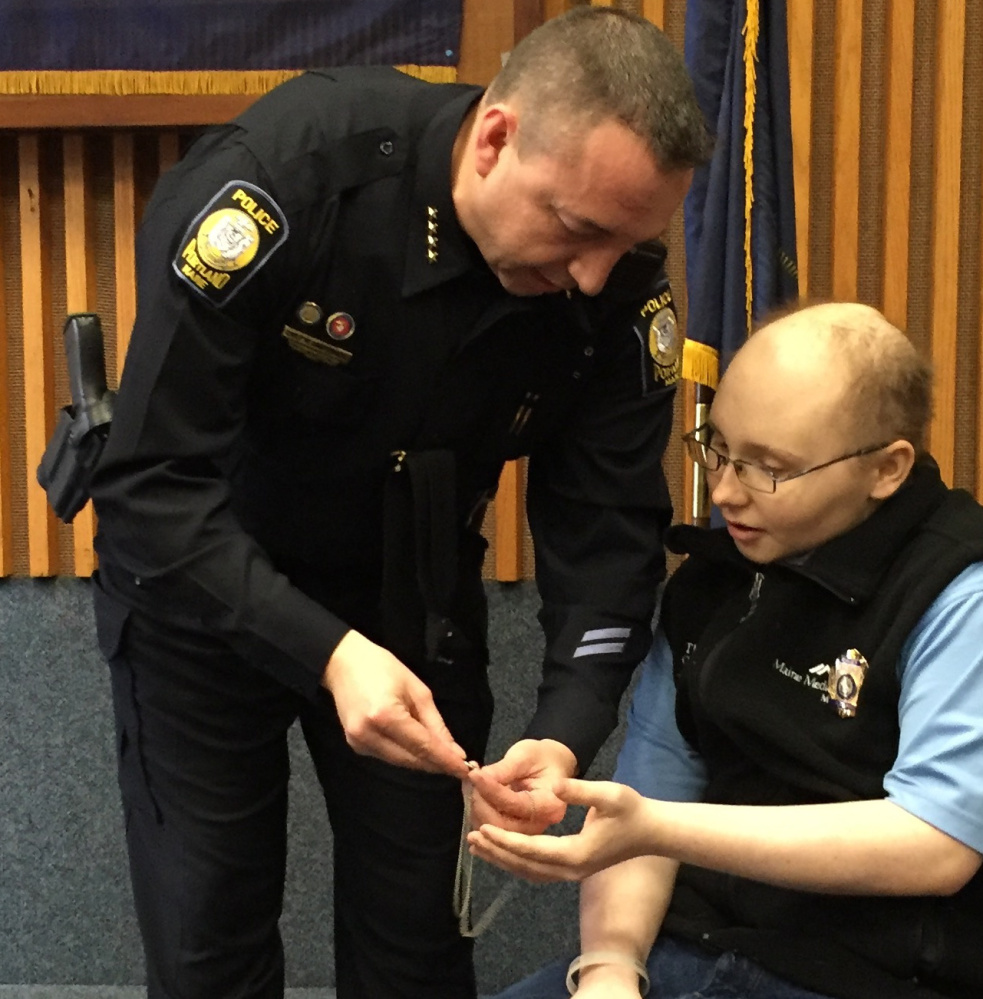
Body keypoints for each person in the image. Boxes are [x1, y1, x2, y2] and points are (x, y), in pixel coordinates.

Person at [87, 8, 712, 999]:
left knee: (418, 947)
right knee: (210, 937)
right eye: (577, 229)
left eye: (625, 243)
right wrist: (329, 654)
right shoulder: (287, 181)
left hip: (410, 603)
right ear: (498, 137)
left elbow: (607, 541)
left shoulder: (618, 290)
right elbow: (151, 485)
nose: (591, 273)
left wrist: (561, 728)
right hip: (201, 592)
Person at [469, 303, 983, 999]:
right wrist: (609, 969)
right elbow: (648, 787)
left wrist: (654, 827)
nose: (724, 491)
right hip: (696, 946)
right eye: (717, 449)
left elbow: (934, 842)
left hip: (871, 975)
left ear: (886, 469)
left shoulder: (957, 592)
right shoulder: (716, 577)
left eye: (768, 468)